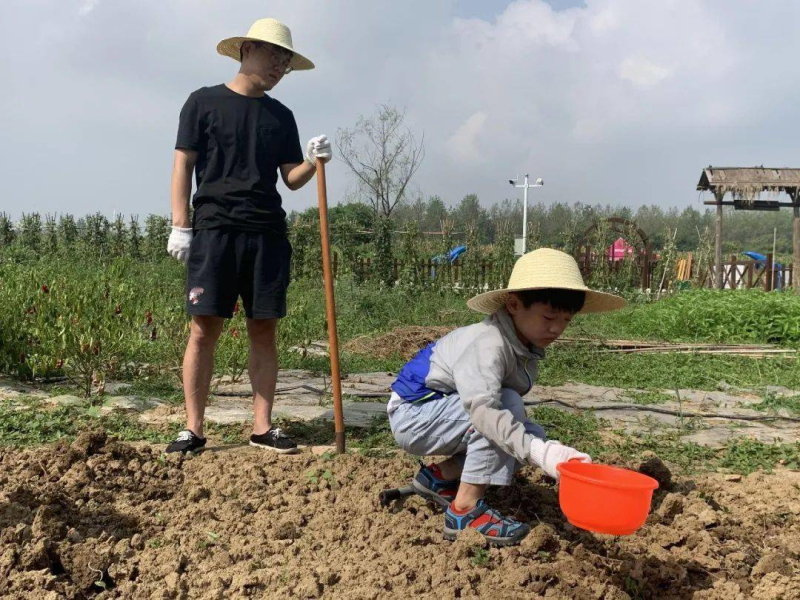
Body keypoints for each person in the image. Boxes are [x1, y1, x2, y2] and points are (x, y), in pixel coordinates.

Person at [164, 18, 330, 454]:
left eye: (286, 61)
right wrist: (181, 224)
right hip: (214, 229)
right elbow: (183, 164)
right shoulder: (203, 102)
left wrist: (314, 161)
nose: (279, 66)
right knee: (204, 328)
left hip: (266, 232)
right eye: (274, 55)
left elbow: (291, 179)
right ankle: (194, 429)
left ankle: (262, 427)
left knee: (264, 328)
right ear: (247, 50)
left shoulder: (280, 116)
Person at [387, 248, 625, 545]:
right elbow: (484, 411)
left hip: (438, 412)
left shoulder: (521, 344)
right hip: (414, 415)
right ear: (513, 305)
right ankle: (464, 512)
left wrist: (549, 447)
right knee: (502, 414)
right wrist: (538, 451)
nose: (557, 328)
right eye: (549, 316)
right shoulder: (488, 343)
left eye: (566, 319)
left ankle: (438, 477)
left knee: (512, 423)